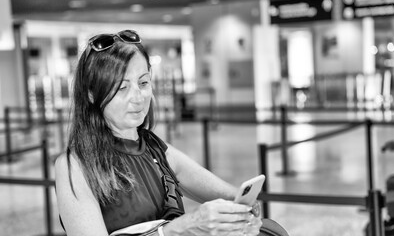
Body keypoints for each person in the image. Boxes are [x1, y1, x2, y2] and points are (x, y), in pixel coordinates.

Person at [55, 29, 262, 236]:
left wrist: (242, 208)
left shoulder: (154, 148)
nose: (138, 97)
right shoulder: (75, 165)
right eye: (121, 88)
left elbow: (225, 194)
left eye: (143, 83)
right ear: (92, 94)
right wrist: (179, 229)